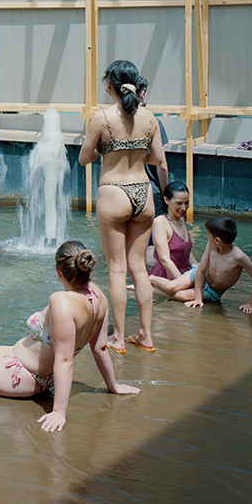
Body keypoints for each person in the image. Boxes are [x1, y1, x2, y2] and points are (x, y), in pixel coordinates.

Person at [0, 240, 139, 431]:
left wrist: (59, 412)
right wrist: (113, 386)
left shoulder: (61, 301)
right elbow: (99, 348)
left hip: (23, 375)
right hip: (20, 360)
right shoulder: (98, 296)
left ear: (58, 272)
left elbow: (65, 361)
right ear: (88, 270)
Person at [79, 60, 165, 353]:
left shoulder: (101, 118)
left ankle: (118, 338)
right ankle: (146, 336)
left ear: (109, 86)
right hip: (144, 191)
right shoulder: (150, 117)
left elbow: (83, 159)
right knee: (138, 269)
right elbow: (156, 159)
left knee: (117, 270)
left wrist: (106, 146)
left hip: (114, 191)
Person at [152, 215, 252, 313]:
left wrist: (251, 303)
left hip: (213, 291)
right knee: (171, 287)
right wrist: (198, 298)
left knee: (181, 295)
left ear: (217, 240)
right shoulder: (211, 246)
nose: (206, 237)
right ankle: (150, 278)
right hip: (198, 274)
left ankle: (149, 288)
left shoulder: (238, 257)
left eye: (208, 235)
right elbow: (200, 271)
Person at [147, 182, 196, 281]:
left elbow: (186, 252)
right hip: (165, 277)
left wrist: (198, 270)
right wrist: (182, 282)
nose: (184, 208)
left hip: (183, 275)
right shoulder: (160, 222)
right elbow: (164, 259)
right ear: (166, 200)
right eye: (179, 203)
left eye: (187, 203)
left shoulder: (180, 220)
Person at [137, 75, 169, 215]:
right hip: (150, 191)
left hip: (121, 192)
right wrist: (165, 194)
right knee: (156, 235)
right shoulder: (154, 123)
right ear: (143, 94)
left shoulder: (113, 123)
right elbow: (162, 166)